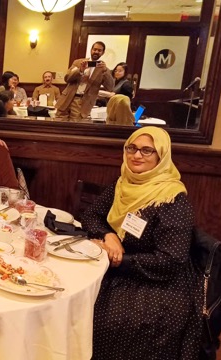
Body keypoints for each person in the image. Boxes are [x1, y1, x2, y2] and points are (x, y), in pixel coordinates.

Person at [81, 127, 202, 359]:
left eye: (147, 150)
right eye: (132, 148)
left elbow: (170, 261)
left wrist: (118, 260)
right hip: (116, 267)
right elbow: (92, 215)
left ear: (161, 156)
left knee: (106, 319)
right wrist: (109, 236)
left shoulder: (171, 199)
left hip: (156, 282)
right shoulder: (123, 183)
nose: (137, 156)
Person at [55, 41, 114, 121]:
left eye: (99, 50)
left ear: (103, 53)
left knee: (74, 129)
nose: (96, 52)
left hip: (82, 103)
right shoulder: (78, 62)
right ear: (91, 50)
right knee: (58, 126)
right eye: (95, 49)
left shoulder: (103, 69)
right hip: (66, 99)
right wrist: (80, 70)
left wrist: (105, 71)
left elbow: (110, 87)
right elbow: (67, 78)